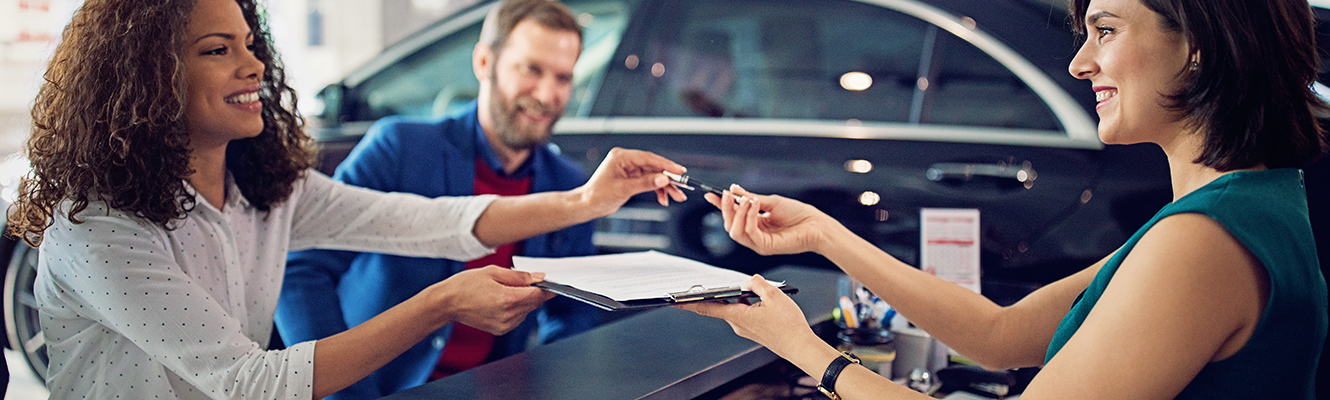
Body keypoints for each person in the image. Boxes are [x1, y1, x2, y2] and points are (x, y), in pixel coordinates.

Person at [5, 0, 687, 398]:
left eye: (251, 44)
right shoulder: (97, 224)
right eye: (218, 50)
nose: (255, 66)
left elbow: (431, 222)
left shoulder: (266, 186)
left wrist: (586, 200)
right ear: (146, 76)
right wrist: (443, 302)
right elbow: (250, 385)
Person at [679, 0, 1328, 398]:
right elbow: (998, 334)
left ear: (1197, 45)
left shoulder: (1204, 241)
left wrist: (806, 352)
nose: (1079, 63)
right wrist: (824, 234)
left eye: (1104, 30)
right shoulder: (1246, 204)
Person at [274, 0, 604, 397]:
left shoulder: (571, 188)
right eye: (531, 69)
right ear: (484, 62)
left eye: (563, 78)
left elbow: (572, 314)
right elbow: (300, 271)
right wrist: (342, 389)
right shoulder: (399, 148)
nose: (547, 94)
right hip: (380, 388)